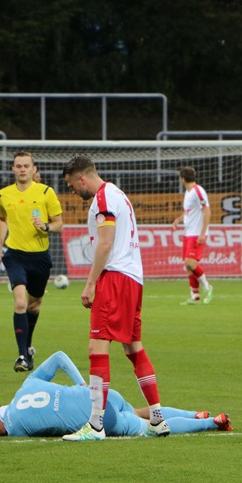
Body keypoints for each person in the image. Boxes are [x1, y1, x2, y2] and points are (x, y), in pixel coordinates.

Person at [61, 154, 170, 441]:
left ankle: (95, 425)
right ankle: (157, 418)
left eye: (72, 186)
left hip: (115, 277)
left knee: (97, 345)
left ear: (82, 178)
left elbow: (106, 243)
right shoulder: (119, 194)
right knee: (134, 347)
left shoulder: (104, 199)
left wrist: (90, 283)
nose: (73, 192)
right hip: (134, 278)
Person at [0, 351, 232, 438]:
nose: (4, 434)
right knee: (140, 411)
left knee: (152, 427)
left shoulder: (16, 427)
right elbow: (59, 357)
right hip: (101, 395)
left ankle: (211, 422)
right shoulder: (28, 385)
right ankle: (195, 413)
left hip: (99, 420)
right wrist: (81, 385)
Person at [0, 151, 64, 373]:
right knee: (21, 302)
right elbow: (2, 219)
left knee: (34, 305)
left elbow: (59, 223)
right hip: (15, 255)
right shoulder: (3, 194)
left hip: (40, 257)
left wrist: (45, 226)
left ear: (34, 169)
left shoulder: (46, 192)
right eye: (18, 165)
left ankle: (28, 346)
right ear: (13, 169)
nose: (22, 169)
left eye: (26, 165)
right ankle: (22, 355)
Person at [172, 166, 213, 305]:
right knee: (187, 265)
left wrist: (203, 233)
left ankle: (207, 287)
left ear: (182, 179)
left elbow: (207, 211)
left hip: (197, 234)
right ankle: (194, 296)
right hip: (188, 233)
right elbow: (188, 212)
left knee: (191, 262)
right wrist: (178, 219)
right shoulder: (188, 193)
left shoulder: (198, 191)